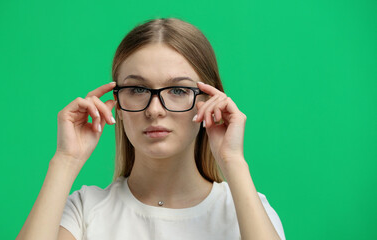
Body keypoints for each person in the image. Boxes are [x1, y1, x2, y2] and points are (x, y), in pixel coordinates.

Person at [16, 18, 286, 240]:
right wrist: (66, 160)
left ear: (209, 102)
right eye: (137, 89)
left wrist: (233, 161)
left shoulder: (247, 210)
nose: (154, 110)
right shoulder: (85, 211)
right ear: (118, 106)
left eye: (178, 90)